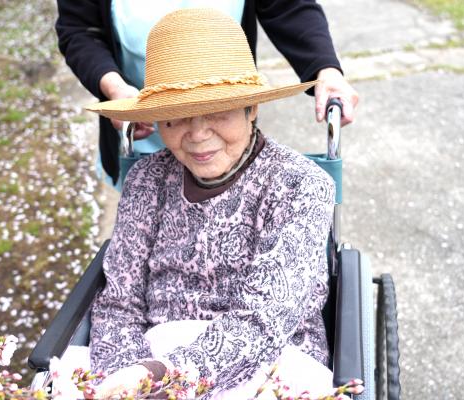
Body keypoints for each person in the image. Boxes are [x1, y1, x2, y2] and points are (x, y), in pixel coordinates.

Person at [64, 8, 343, 399]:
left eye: (216, 111)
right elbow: (118, 306)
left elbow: (263, 320)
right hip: (150, 357)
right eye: (175, 118)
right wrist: (128, 379)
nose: (197, 134)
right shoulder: (146, 181)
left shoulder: (301, 185)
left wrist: (163, 379)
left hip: (271, 362)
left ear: (251, 107)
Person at [55, 0, 359, 187]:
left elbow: (288, 6)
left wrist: (325, 68)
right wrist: (116, 89)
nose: (198, 133)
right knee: (147, 194)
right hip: (145, 118)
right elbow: (79, 30)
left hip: (224, 105)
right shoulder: (142, 187)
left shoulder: (292, 190)